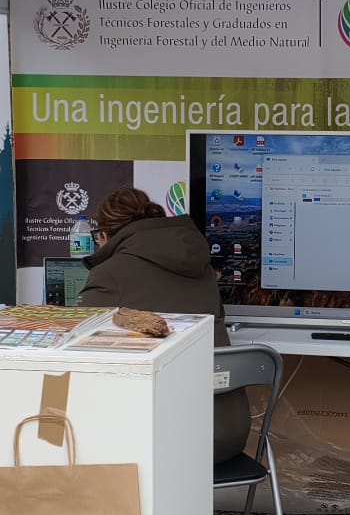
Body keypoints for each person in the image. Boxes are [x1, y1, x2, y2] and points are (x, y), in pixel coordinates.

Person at [76, 188, 253, 463]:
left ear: (106, 236)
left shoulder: (110, 274)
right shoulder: (201, 266)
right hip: (227, 433)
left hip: (168, 442)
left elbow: (76, 354)